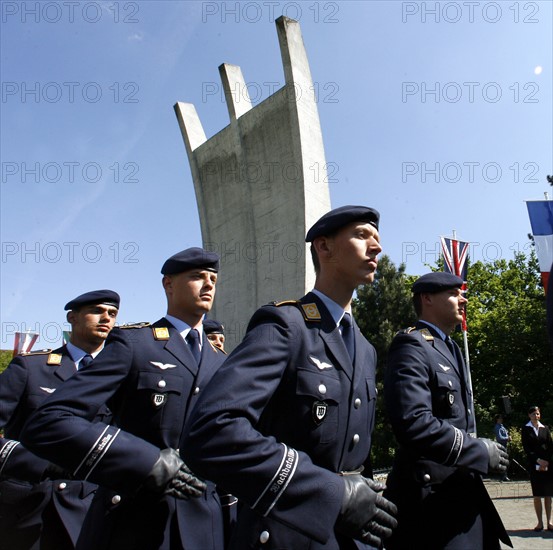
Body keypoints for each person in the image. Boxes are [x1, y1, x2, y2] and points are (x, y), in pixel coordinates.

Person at [182, 205, 398, 549]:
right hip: (288, 532)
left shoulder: (365, 347)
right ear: (323, 248)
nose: (377, 247)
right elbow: (212, 430)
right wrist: (332, 495)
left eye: (377, 239)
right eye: (362, 235)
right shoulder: (286, 325)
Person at [20, 248, 228, 550]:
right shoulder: (135, 343)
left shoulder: (222, 361)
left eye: (213, 279)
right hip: (134, 517)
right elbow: (48, 421)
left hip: (204, 524)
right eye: (197, 277)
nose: (208, 284)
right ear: (168, 284)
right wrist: (147, 462)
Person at [383, 272, 511, 550]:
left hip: (463, 496)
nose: (463, 299)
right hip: (431, 505)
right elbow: (413, 422)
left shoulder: (451, 347)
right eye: (453, 293)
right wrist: (477, 451)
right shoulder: (411, 344)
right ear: (427, 299)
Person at [0, 289, 120, 549]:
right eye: (97, 311)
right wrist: (36, 462)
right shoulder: (31, 368)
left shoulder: (123, 378)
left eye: (112, 314)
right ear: (72, 317)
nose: (106, 318)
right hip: (32, 506)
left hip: (95, 506)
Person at [521, 405, 553, 531]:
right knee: (537, 495)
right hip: (534, 465)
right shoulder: (526, 429)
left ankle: (549, 522)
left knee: (548, 495)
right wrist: (538, 461)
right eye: (534, 414)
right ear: (529, 415)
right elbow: (527, 448)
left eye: (538, 413)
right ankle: (540, 522)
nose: (536, 416)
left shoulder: (545, 428)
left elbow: (550, 447)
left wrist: (547, 462)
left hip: (547, 465)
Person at [494, 414, 511, 481]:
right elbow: (499, 438)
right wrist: (507, 438)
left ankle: (504, 475)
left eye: (501, 418)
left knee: (505, 461)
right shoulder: (497, 427)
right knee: (502, 461)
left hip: (505, 445)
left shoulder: (502, 427)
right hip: (501, 445)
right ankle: (503, 476)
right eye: (500, 418)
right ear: (497, 419)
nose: (501, 419)